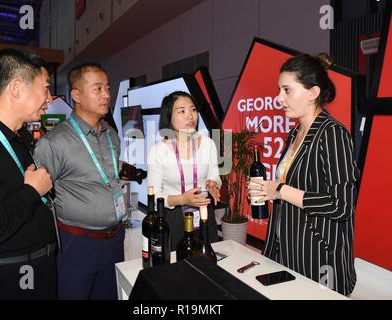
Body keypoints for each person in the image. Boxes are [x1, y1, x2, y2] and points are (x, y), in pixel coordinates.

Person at [247, 53, 360, 296]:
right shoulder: (295, 133)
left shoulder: (332, 134)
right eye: (279, 90)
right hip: (286, 251)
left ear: (313, 93)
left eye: (287, 90)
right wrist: (270, 189)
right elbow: (294, 186)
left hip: (318, 259)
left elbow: (341, 205)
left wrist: (279, 190)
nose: (279, 98)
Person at [0, 48, 56, 299]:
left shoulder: (18, 137)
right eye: (45, 88)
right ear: (16, 88)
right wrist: (30, 192)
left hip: (38, 271)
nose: (49, 98)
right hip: (4, 281)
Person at [33, 63, 125, 300]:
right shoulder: (54, 143)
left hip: (115, 239)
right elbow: (39, 198)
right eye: (98, 89)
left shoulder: (111, 135)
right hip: (77, 244)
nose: (106, 94)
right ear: (76, 95)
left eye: (107, 88)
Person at [148, 91, 221, 251]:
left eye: (193, 110)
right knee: (178, 269)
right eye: (181, 111)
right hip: (173, 217)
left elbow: (214, 175)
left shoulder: (208, 144)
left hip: (203, 212)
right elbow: (154, 197)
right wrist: (183, 199)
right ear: (169, 116)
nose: (190, 116)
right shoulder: (158, 151)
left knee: (208, 264)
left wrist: (213, 183)